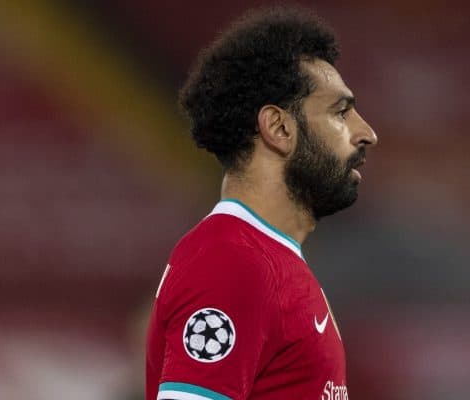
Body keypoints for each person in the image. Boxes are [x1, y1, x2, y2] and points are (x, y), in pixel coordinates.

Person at [146, 7, 377, 400]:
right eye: (341, 112)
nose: (367, 133)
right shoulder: (231, 261)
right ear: (279, 128)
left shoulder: (268, 261)